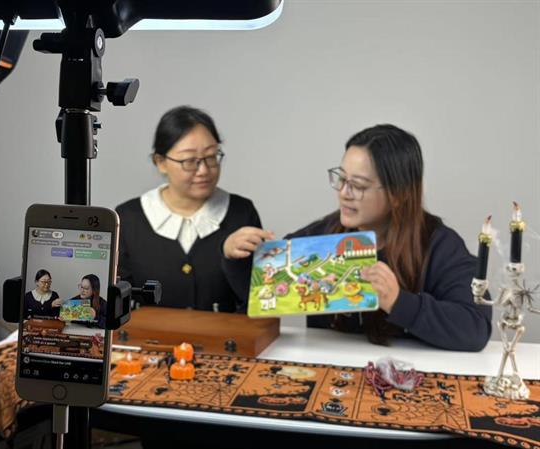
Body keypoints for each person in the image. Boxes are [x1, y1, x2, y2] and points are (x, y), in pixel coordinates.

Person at [223, 124, 492, 351]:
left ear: (399, 194)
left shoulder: (439, 245)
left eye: (358, 185)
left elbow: (476, 328)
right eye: (341, 179)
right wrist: (236, 257)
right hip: (333, 375)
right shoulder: (324, 236)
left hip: (406, 378)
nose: (343, 193)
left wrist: (399, 302)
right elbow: (263, 296)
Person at [116, 105, 264, 312]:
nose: (203, 170)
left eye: (211, 157)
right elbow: (116, 302)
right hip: (147, 333)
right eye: (189, 161)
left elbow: (259, 299)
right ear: (161, 162)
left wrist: (234, 262)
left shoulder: (242, 212)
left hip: (223, 333)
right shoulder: (128, 218)